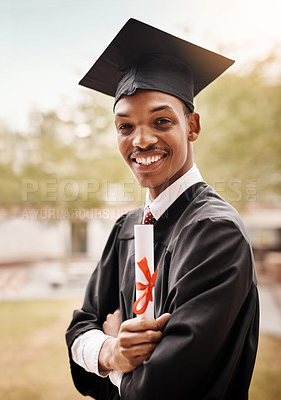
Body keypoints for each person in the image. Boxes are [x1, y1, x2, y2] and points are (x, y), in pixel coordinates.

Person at [66, 19, 259, 400]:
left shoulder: (214, 232)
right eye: (125, 127)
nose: (141, 140)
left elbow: (160, 390)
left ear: (192, 126)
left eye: (161, 121)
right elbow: (79, 329)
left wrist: (114, 364)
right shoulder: (128, 226)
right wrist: (108, 350)